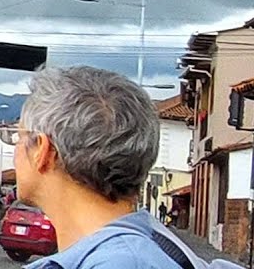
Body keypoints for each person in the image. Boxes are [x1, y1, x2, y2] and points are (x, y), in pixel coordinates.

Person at [10, 66, 179, 268]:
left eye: (18, 137)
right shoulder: (139, 252)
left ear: (42, 150)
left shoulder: (119, 263)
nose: (16, 150)